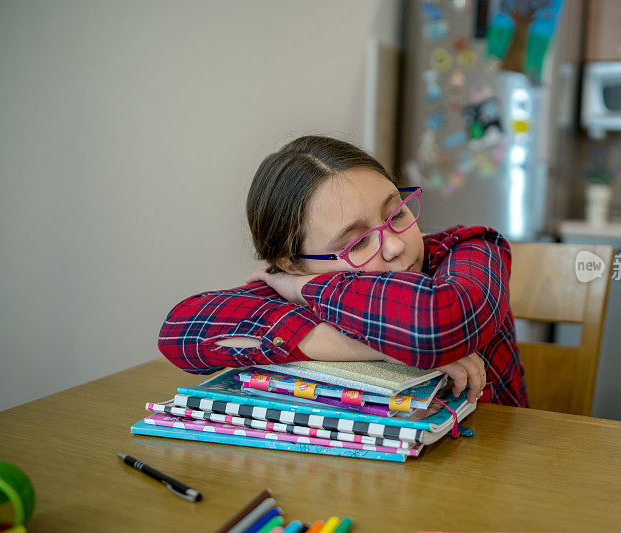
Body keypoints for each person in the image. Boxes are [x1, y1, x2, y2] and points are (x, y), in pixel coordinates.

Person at [158, 135, 527, 407]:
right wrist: (381, 348)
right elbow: (183, 331)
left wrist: (305, 289)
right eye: (357, 243)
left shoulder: (471, 248)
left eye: (396, 213)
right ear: (292, 262)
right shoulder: (285, 280)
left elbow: (434, 321)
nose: (396, 245)